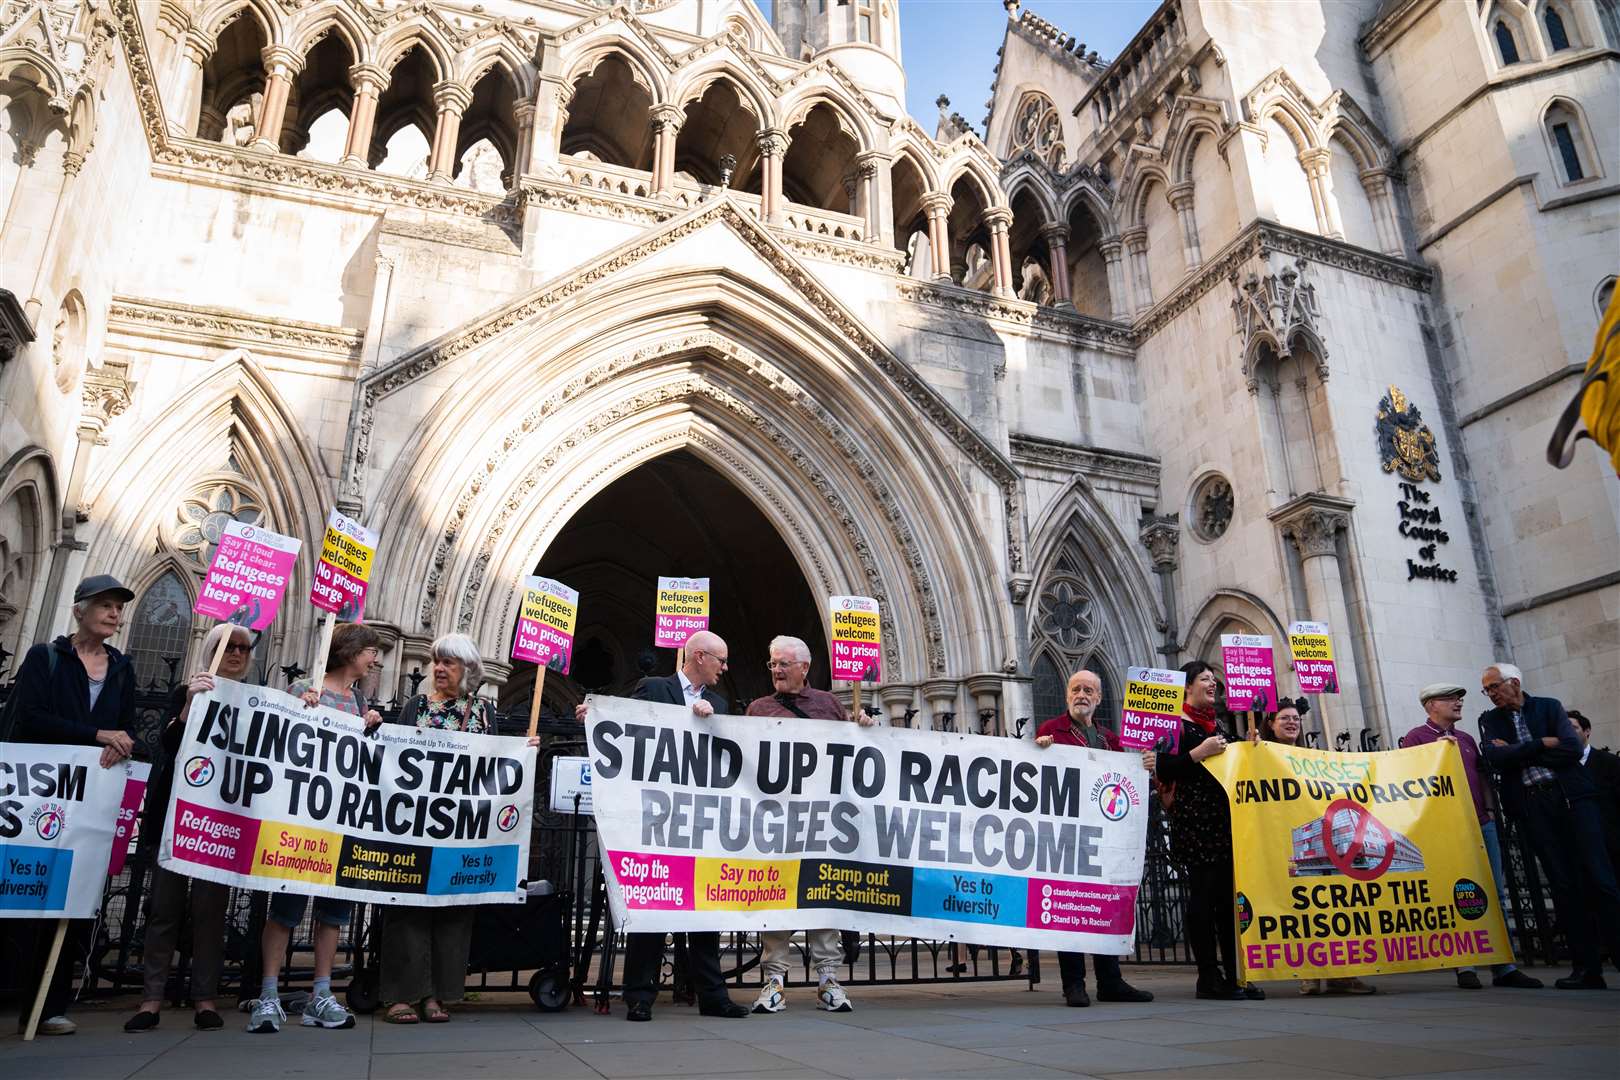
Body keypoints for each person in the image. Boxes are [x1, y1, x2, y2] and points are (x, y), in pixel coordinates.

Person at [577, 630, 750, 1023]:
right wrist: (597, 716)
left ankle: (713, 997)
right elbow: (627, 724)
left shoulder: (719, 702)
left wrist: (712, 721)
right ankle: (640, 997)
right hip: (657, 822)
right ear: (700, 657)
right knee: (652, 914)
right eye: (720, 660)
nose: (725, 668)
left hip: (700, 824)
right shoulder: (655, 687)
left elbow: (731, 752)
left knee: (705, 916)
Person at [8, 575, 137, 1037]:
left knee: (71, 901)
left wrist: (121, 742)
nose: (114, 614)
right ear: (80, 609)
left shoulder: (121, 668)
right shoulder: (46, 657)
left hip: (87, 798)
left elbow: (127, 726)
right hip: (39, 795)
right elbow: (30, 717)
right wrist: (93, 736)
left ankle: (49, 1005)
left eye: (118, 608)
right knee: (22, 899)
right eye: (104, 605)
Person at [248, 622, 382, 1033]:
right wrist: (298, 709)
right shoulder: (304, 689)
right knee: (285, 910)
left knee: (332, 914)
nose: (374, 659)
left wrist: (371, 727)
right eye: (369, 652)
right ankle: (268, 994)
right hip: (300, 823)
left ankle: (321, 994)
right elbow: (273, 739)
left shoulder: (360, 702)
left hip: (339, 823)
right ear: (349, 651)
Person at [124, 623, 252, 1032]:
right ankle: (152, 999)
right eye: (226, 647)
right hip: (177, 821)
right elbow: (168, 744)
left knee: (210, 912)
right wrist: (188, 705)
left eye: (242, 648)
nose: (235, 654)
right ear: (210, 650)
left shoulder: (253, 702)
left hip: (221, 823)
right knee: (164, 909)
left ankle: (205, 998)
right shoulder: (187, 692)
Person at [745, 635, 878, 1015]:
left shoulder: (829, 705)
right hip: (778, 822)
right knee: (776, 899)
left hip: (822, 824)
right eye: (772, 664)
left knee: (823, 897)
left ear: (804, 667)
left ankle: (828, 980)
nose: (777, 670)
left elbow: (849, 756)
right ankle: (774, 980)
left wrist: (862, 729)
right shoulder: (758, 709)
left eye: (783, 664)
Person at [376, 633, 496, 1024]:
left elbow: (494, 762)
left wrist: (523, 753)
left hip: (459, 826)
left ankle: (436, 995)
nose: (440, 669)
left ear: (468, 670)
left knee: (451, 911)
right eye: (436, 661)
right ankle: (402, 995)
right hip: (415, 824)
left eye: (449, 663)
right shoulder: (416, 706)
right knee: (409, 908)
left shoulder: (482, 712)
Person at [1478, 663, 1620, 990]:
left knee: (1601, 881)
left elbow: (1571, 749)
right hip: (1532, 806)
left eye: (1494, 687)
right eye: (1487, 690)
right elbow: (1495, 758)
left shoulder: (1548, 707)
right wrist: (1544, 743)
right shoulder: (1491, 720)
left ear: (1513, 682)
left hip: (1571, 799)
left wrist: (1519, 752)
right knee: (1563, 885)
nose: (1491, 694)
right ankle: (1587, 968)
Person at [1399, 683, 1541, 991]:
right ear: (1431, 705)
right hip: (1446, 828)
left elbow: (1481, 776)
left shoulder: (1465, 739)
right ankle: (1465, 964)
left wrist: (1489, 810)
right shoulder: (1417, 738)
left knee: (1495, 891)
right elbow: (1407, 781)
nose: (1458, 702)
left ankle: (1504, 965)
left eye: (1459, 698)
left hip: (1481, 822)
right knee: (1456, 893)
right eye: (1450, 698)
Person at [1033, 669, 1155, 1007]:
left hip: (1103, 838)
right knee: (1069, 909)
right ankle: (1074, 984)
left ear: (1099, 698)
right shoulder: (1051, 731)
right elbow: (1035, 771)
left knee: (1104, 907)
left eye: (1089, 690)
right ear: (1067, 694)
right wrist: (1038, 749)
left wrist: (1144, 763)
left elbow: (1127, 779)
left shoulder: (1108, 738)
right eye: (1076, 689)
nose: (1082, 694)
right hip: (1067, 838)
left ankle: (1110, 981)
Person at [1250, 698, 1377, 996]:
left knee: (1333, 907)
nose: (1292, 722)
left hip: (1324, 842)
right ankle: (1309, 974)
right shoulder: (1261, 755)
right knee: (1301, 910)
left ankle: (1343, 975)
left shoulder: (1312, 755)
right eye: (1284, 718)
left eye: (1295, 718)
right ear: (1271, 723)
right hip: (1286, 841)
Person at [1155, 660, 1259, 1001]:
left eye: (1214, 679)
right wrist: (1198, 753)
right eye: (1204, 679)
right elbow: (1163, 765)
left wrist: (1250, 746)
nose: (1212, 684)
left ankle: (1236, 973)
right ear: (1187, 686)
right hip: (1196, 823)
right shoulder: (1175, 725)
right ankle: (1208, 976)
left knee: (1229, 902)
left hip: (1226, 822)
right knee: (1203, 898)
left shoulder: (1218, 724)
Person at [1571, 710, 1620, 885]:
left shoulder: (1609, 762)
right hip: (1581, 846)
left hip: (1612, 841)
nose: (1568, 732)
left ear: (1587, 731)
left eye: (1574, 727)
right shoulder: (1561, 767)